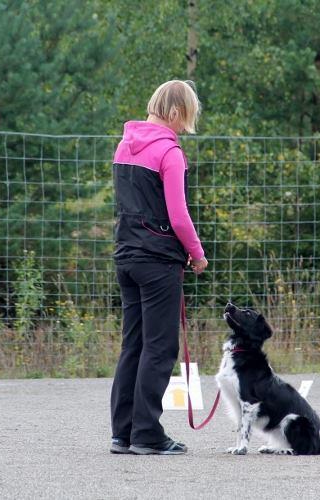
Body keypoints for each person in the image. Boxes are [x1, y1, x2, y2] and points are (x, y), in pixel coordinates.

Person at [109, 80, 208, 455]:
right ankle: (147, 433)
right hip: (157, 261)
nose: (185, 128)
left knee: (132, 344)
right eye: (186, 119)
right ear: (174, 112)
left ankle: (123, 432)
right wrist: (196, 254)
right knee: (159, 347)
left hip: (126, 256)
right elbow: (179, 216)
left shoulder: (124, 145)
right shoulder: (170, 153)